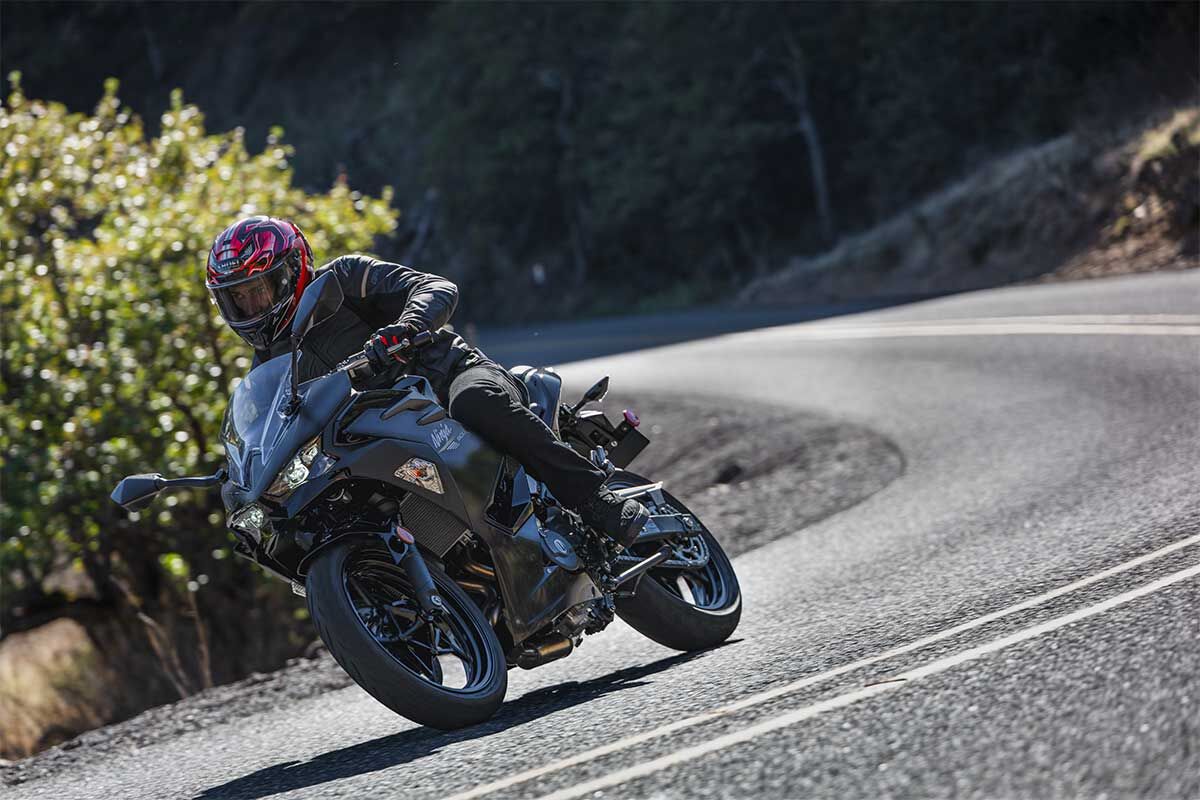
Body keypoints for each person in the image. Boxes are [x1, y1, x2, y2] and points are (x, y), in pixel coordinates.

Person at [204, 215, 648, 548]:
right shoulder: (269, 363)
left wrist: (405, 327)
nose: (251, 306)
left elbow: (434, 287)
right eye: (237, 299)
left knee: (475, 401)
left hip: (446, 379)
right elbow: (266, 429)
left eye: (258, 289)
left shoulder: (343, 279)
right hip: (380, 437)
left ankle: (595, 499)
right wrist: (241, 475)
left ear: (292, 270)